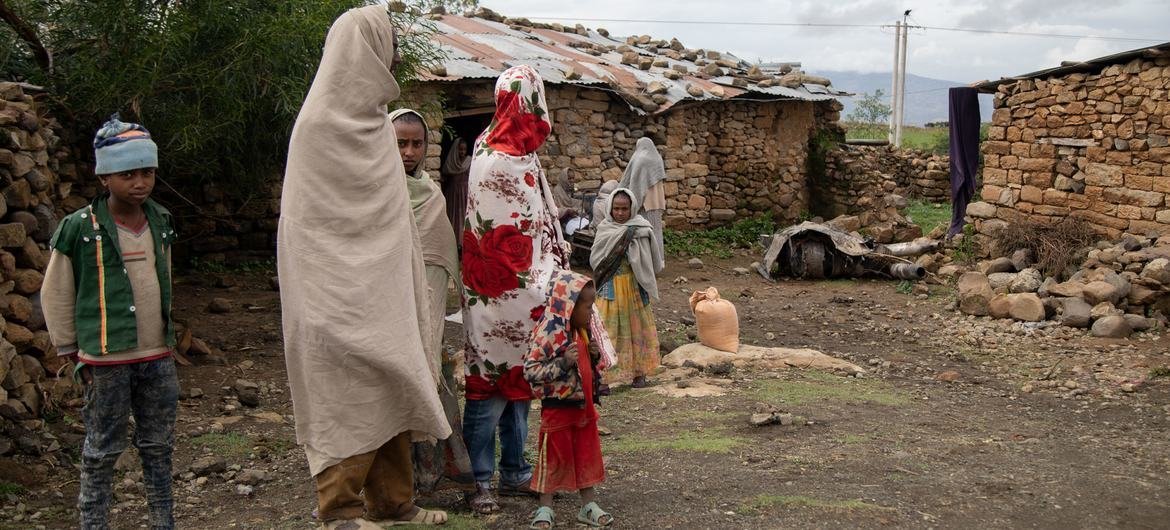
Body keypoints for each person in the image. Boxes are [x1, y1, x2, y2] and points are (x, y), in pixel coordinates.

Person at [278, 6, 450, 529]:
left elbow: (389, 216)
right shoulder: (317, 127)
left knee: (393, 378)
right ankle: (340, 510)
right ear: (364, 51)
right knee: (344, 391)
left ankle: (394, 504)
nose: (396, 56)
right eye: (389, 45)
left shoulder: (378, 126)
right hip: (330, 289)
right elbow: (310, 222)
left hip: (383, 289)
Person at [42, 114, 180, 529]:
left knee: (158, 445)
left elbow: (165, 277)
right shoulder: (79, 228)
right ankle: (93, 522)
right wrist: (69, 348)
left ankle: (163, 521)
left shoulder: (160, 220)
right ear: (104, 177)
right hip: (105, 360)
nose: (139, 183)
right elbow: (57, 290)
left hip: (157, 356)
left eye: (147, 172)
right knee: (101, 449)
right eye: (127, 174)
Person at [461, 64, 568, 514]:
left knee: (519, 384)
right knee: (490, 387)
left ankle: (515, 471)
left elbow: (537, 223)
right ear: (528, 103)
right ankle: (480, 478)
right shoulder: (497, 158)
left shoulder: (516, 153)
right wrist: (545, 281)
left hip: (521, 293)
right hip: (499, 292)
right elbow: (508, 231)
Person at [389, 108, 475, 493]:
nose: (409, 152)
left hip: (426, 316)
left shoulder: (430, 193)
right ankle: (389, 485)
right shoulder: (370, 190)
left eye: (416, 143)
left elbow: (439, 256)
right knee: (389, 388)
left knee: (428, 371)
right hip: (385, 314)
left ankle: (431, 475)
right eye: (400, 143)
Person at [523, 271, 613, 529]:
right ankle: (545, 507)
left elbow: (588, 369)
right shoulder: (549, 332)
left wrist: (593, 356)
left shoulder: (581, 331)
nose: (591, 312)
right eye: (587, 306)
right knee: (553, 456)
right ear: (569, 306)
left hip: (582, 409)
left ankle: (588, 505)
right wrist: (562, 363)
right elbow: (530, 370)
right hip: (558, 409)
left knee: (585, 453)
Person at [590, 189, 663, 388]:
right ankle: (604, 376)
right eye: (616, 209)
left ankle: (639, 374)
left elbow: (651, 260)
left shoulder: (641, 229)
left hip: (633, 287)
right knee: (608, 331)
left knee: (637, 329)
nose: (620, 213)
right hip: (610, 288)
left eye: (624, 209)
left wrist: (633, 253)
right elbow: (596, 259)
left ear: (631, 208)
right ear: (610, 209)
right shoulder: (604, 229)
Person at [618, 138, 667, 264]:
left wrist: (633, 202)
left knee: (642, 233)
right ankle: (658, 262)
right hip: (656, 203)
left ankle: (644, 263)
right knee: (656, 232)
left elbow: (636, 183)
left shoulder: (640, 159)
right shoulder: (657, 158)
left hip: (644, 204)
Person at [441, 137, 472, 246]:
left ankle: (465, 242)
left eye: (464, 149)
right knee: (453, 216)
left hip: (465, 192)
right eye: (460, 149)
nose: (462, 152)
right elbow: (445, 175)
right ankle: (453, 242)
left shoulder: (469, 161)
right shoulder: (452, 163)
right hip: (453, 193)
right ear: (456, 150)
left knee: (463, 215)